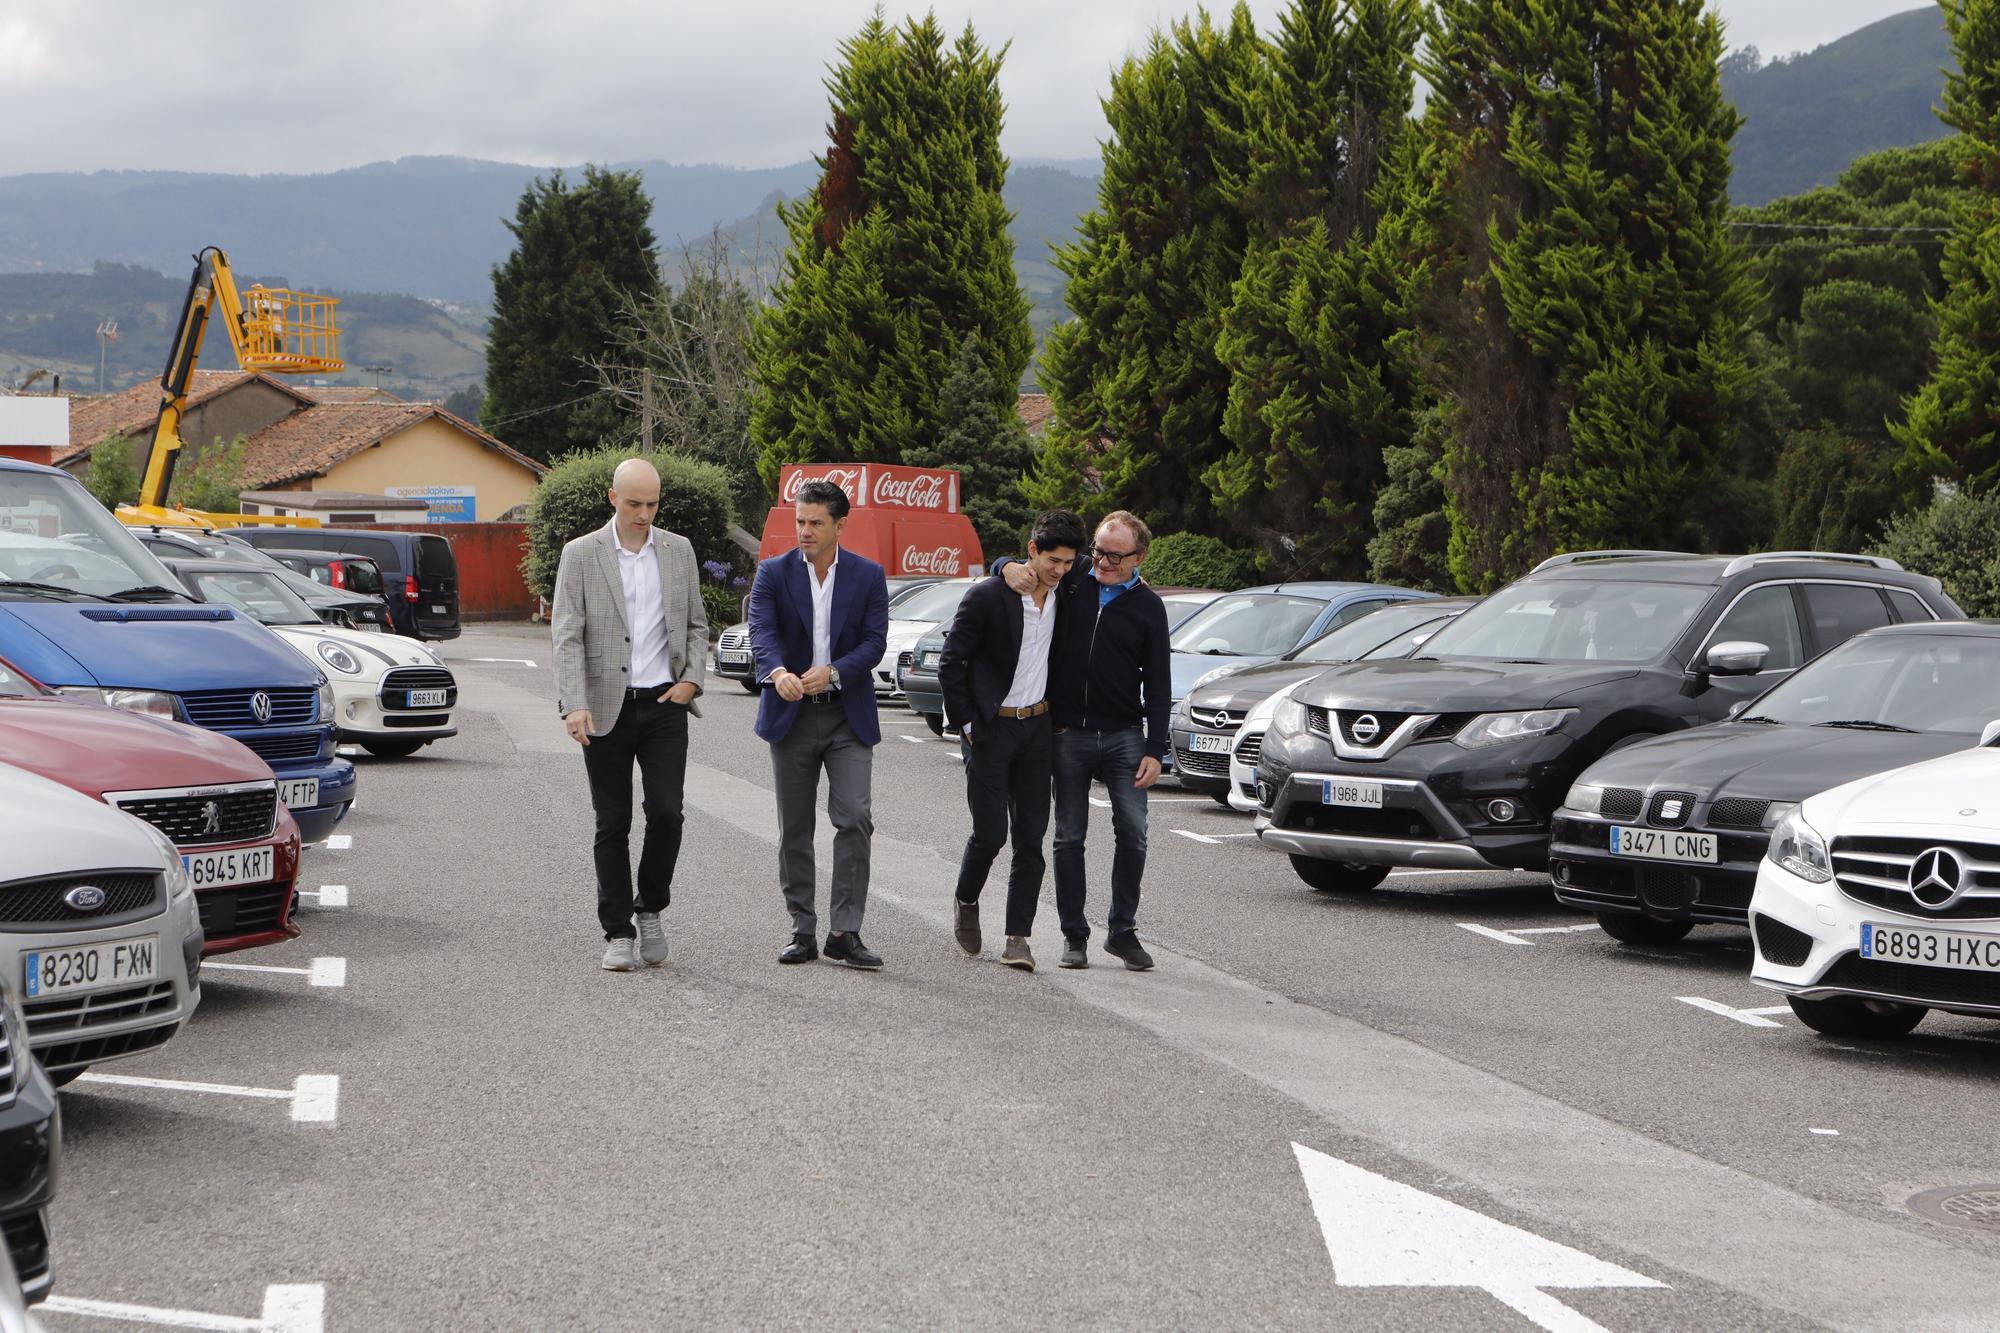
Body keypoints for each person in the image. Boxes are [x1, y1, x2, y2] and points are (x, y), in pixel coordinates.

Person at [551, 457, 709, 972]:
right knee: (612, 821)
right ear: (613, 498)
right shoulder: (580, 554)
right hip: (603, 707)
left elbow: (697, 625)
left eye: (653, 503)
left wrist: (692, 681)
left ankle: (652, 908)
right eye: (636, 503)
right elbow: (567, 635)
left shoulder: (678, 550)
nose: (645, 514)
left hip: (666, 704)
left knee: (667, 813)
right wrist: (573, 703)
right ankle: (618, 931)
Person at [1004, 510, 1170, 970]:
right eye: (1098, 550)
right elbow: (1027, 561)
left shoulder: (1149, 608)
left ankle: (1122, 931)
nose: (1103, 561)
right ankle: (1073, 935)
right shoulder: (1074, 578)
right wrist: (1003, 565)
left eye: (1115, 555)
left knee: (1134, 834)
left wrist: (1155, 750)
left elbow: (1158, 683)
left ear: (1139, 557)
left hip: (1123, 737)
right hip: (1068, 732)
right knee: (1068, 836)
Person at [747, 480, 891, 969]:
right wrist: (777, 672)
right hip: (791, 715)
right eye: (799, 522)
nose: (804, 531)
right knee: (795, 828)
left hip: (846, 714)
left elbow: (874, 643)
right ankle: (802, 928)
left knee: (854, 817)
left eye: (815, 523)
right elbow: (762, 631)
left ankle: (845, 931)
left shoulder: (869, 576)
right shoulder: (772, 573)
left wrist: (834, 670)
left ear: (839, 525)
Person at [937, 509, 1088, 972]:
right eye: (1052, 561)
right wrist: (966, 724)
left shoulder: (1070, 589)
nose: (1060, 570)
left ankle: (1017, 938)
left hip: (1037, 729)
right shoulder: (987, 597)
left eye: (1067, 562)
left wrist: (1004, 560)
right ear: (1032, 552)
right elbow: (951, 662)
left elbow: (1115, 562)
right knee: (989, 834)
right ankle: (966, 898)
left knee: (1030, 839)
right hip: (990, 729)